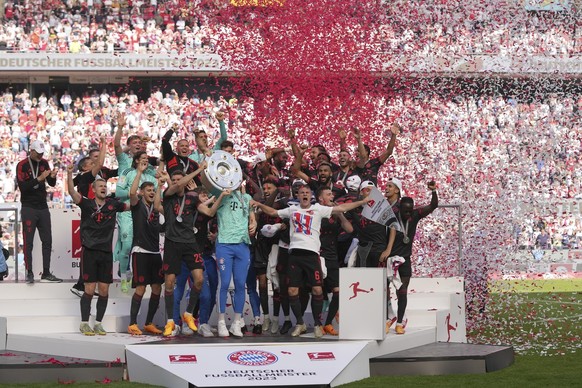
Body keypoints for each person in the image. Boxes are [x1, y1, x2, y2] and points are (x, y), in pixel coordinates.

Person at [251, 184, 371, 338]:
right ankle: (300, 323)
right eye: (302, 193)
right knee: (292, 290)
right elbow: (273, 212)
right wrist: (259, 204)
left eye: (307, 192)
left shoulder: (318, 209)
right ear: (298, 195)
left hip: (312, 255)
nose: (305, 194)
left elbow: (341, 208)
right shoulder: (293, 210)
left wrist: (362, 202)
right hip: (294, 254)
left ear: (311, 196)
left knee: (317, 290)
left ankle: (317, 324)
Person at [159, 166, 228, 337]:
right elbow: (178, 184)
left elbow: (210, 211)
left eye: (178, 180)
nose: (176, 183)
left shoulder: (192, 197)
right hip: (172, 243)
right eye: (173, 180)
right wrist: (201, 169)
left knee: (199, 280)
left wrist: (221, 196)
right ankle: (171, 322)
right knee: (170, 284)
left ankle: (189, 314)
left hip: (190, 244)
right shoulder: (168, 195)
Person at [66, 164, 127, 336]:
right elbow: (71, 192)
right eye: (100, 186)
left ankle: (99, 323)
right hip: (90, 251)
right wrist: (70, 174)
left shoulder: (113, 205)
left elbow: (133, 204)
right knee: (90, 289)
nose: (103, 188)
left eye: (105, 186)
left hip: (106, 252)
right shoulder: (86, 203)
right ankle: (84, 322)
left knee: (105, 290)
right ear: (93, 189)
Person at [386, 181, 438, 334]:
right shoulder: (392, 216)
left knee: (402, 291)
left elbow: (433, 206)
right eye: (405, 211)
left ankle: (400, 322)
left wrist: (433, 191)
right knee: (385, 290)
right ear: (400, 208)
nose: (408, 214)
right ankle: (388, 318)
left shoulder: (415, 215)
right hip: (390, 259)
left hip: (405, 259)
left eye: (410, 211)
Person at [127, 161, 164, 336]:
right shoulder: (137, 205)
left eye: (153, 190)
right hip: (140, 251)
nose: (151, 192)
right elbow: (132, 193)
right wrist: (139, 173)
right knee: (141, 288)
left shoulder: (157, 210)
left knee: (157, 288)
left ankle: (149, 323)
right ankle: (132, 324)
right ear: (142, 193)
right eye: (148, 190)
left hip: (155, 253)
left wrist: (161, 185)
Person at [16, 140, 62, 284]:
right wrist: (39, 179)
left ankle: (46, 272)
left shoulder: (44, 163)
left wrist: (52, 177)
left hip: (42, 206)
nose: (41, 155)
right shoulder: (22, 165)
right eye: (38, 153)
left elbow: (51, 183)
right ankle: (29, 272)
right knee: (28, 241)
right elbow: (23, 187)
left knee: (47, 240)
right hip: (28, 206)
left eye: (42, 153)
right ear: (31, 150)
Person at [215, 184, 257, 338]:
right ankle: (221, 322)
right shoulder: (220, 193)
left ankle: (236, 322)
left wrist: (254, 224)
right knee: (225, 283)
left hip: (242, 244)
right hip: (224, 244)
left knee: (240, 284)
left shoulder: (247, 198)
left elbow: (252, 218)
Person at [317, 187, 354, 336]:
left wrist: (340, 214)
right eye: (328, 194)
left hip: (332, 256)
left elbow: (350, 229)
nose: (332, 196)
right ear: (321, 198)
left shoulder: (335, 213)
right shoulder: (316, 211)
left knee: (338, 292)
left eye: (332, 194)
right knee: (317, 291)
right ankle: (317, 323)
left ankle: (327, 323)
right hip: (318, 255)